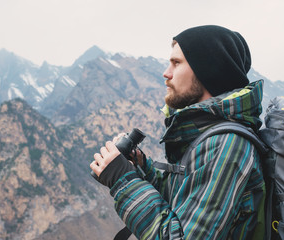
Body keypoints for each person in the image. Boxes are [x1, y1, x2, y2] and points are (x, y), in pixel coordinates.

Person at [90, 25, 265, 239]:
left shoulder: (227, 145)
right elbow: (185, 201)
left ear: (207, 70)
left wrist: (122, 179)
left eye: (176, 63)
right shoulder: (208, 133)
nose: (166, 73)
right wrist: (140, 167)